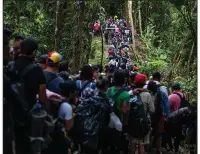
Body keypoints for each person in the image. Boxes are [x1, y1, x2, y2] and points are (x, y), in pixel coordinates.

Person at [12, 38, 49, 154]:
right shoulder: (37, 70)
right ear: (33, 52)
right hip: (27, 114)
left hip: (9, 113)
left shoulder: (10, 66)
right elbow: (42, 97)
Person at [48, 81, 78, 154]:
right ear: (70, 94)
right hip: (61, 136)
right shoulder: (67, 107)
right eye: (75, 92)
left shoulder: (57, 99)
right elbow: (69, 127)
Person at [128, 74, 155, 154]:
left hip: (132, 122)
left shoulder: (130, 93)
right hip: (143, 122)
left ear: (134, 82)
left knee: (132, 142)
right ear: (144, 84)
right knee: (141, 143)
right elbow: (152, 110)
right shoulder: (147, 95)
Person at [147, 81, 170, 154]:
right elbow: (166, 106)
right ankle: (158, 149)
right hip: (160, 116)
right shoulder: (162, 94)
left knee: (149, 131)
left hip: (150, 115)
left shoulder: (148, 94)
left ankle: (148, 148)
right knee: (159, 133)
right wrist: (167, 116)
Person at [165, 82, 184, 152]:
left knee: (168, 132)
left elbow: (167, 108)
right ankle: (176, 148)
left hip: (172, 118)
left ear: (172, 88)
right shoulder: (182, 95)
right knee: (178, 133)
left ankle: (170, 147)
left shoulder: (171, 96)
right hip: (180, 117)